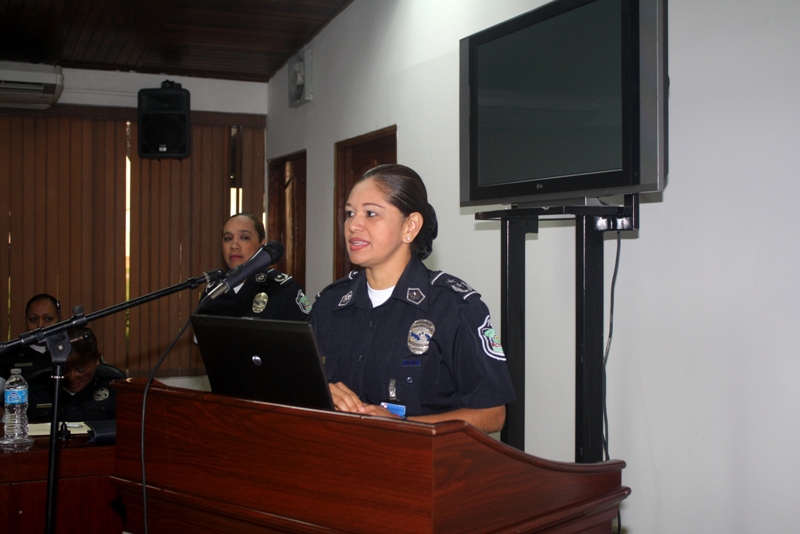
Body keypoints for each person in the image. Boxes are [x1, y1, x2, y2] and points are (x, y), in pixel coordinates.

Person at [310, 164, 515, 433]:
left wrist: (402, 427)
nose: (353, 225)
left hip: (421, 456)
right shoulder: (329, 304)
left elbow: (493, 414)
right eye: (350, 213)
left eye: (370, 213)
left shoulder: (454, 307)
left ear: (411, 226)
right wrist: (320, 392)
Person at [196, 213, 311, 320]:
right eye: (228, 238)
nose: (234, 246)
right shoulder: (213, 291)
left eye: (244, 237)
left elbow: (308, 333)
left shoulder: (283, 289)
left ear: (262, 245)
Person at [25, 327, 124, 422]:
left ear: (97, 360)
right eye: (65, 371)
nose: (72, 377)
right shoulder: (37, 388)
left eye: (81, 370)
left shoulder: (115, 386)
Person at [0, 293, 62, 382]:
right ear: (26, 321)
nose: (40, 325)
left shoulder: (70, 352)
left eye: (48, 318)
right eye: (33, 319)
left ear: (60, 321)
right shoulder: (8, 355)